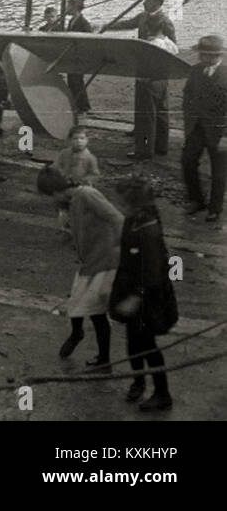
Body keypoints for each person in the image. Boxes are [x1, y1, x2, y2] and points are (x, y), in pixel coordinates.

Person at [36, 168, 122, 373]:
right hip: (90, 262)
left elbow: (117, 218)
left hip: (105, 261)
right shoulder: (71, 203)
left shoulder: (87, 195)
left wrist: (120, 249)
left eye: (51, 195)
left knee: (96, 312)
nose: (51, 200)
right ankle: (79, 336)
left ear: (57, 190)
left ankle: (103, 360)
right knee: (77, 302)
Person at [109, 175, 178, 411]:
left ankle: (162, 393)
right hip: (134, 288)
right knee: (133, 342)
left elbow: (152, 272)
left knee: (147, 345)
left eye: (122, 203)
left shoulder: (147, 230)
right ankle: (138, 381)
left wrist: (135, 298)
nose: (118, 206)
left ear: (134, 204)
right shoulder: (135, 219)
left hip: (147, 296)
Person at [104, 0, 176, 160]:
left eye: (147, 0)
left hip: (155, 73)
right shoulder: (143, 16)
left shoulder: (165, 21)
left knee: (150, 112)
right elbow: (127, 24)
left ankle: (145, 150)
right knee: (154, 110)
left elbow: (174, 47)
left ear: (157, 3)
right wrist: (106, 26)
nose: (144, 3)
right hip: (145, 69)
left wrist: (160, 43)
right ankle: (158, 147)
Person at [181, 34, 226, 223]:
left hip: (220, 131)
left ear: (215, 55)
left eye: (204, 55)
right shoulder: (196, 70)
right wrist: (189, 120)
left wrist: (226, 136)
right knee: (187, 161)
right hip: (197, 127)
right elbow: (187, 94)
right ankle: (196, 200)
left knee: (219, 171)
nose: (200, 58)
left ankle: (215, 208)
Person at [50, 126, 102, 228]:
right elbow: (56, 166)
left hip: (81, 188)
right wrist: (60, 174)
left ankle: (78, 227)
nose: (79, 141)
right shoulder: (64, 153)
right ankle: (63, 225)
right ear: (69, 140)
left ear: (87, 140)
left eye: (82, 138)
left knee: (79, 210)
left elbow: (95, 174)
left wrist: (84, 180)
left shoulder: (90, 158)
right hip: (64, 186)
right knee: (61, 205)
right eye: (75, 138)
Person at [64, 0, 93, 113]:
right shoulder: (72, 21)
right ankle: (78, 105)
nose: (66, 9)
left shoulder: (84, 23)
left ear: (74, 7)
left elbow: (90, 40)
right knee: (72, 81)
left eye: (68, 6)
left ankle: (83, 107)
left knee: (77, 81)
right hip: (72, 56)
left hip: (80, 57)